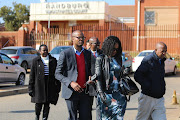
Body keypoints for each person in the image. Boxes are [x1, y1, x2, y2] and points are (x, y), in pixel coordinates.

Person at [55, 30, 92, 120]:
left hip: (85, 92)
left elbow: (90, 70)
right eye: (78, 37)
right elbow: (57, 73)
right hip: (71, 92)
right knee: (73, 117)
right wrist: (71, 83)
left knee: (86, 117)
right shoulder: (66, 53)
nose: (81, 39)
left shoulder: (87, 53)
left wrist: (91, 77)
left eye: (82, 37)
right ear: (72, 39)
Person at [95, 36, 127, 120]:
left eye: (117, 49)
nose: (115, 51)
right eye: (113, 49)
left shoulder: (118, 59)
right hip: (106, 95)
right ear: (108, 47)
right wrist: (101, 94)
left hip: (119, 95)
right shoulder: (100, 59)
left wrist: (124, 72)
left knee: (119, 118)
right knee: (106, 118)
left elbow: (120, 76)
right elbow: (98, 78)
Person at [134, 42, 167, 120]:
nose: (164, 53)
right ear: (155, 50)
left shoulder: (161, 61)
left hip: (159, 99)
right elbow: (137, 75)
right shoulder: (148, 60)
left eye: (165, 51)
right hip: (147, 98)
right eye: (162, 51)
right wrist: (147, 85)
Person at [28, 44, 61, 120]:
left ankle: (45, 117)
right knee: (38, 103)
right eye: (43, 50)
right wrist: (30, 88)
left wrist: (57, 87)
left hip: (49, 84)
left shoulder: (53, 60)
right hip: (39, 85)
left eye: (46, 50)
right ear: (40, 51)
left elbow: (56, 74)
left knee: (47, 103)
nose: (45, 52)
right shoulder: (36, 61)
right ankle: (37, 116)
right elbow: (32, 75)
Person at [87, 37, 103, 119]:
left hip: (99, 83)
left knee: (99, 106)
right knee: (87, 107)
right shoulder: (86, 53)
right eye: (95, 43)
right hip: (89, 83)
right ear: (90, 44)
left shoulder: (102, 53)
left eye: (98, 43)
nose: (97, 45)